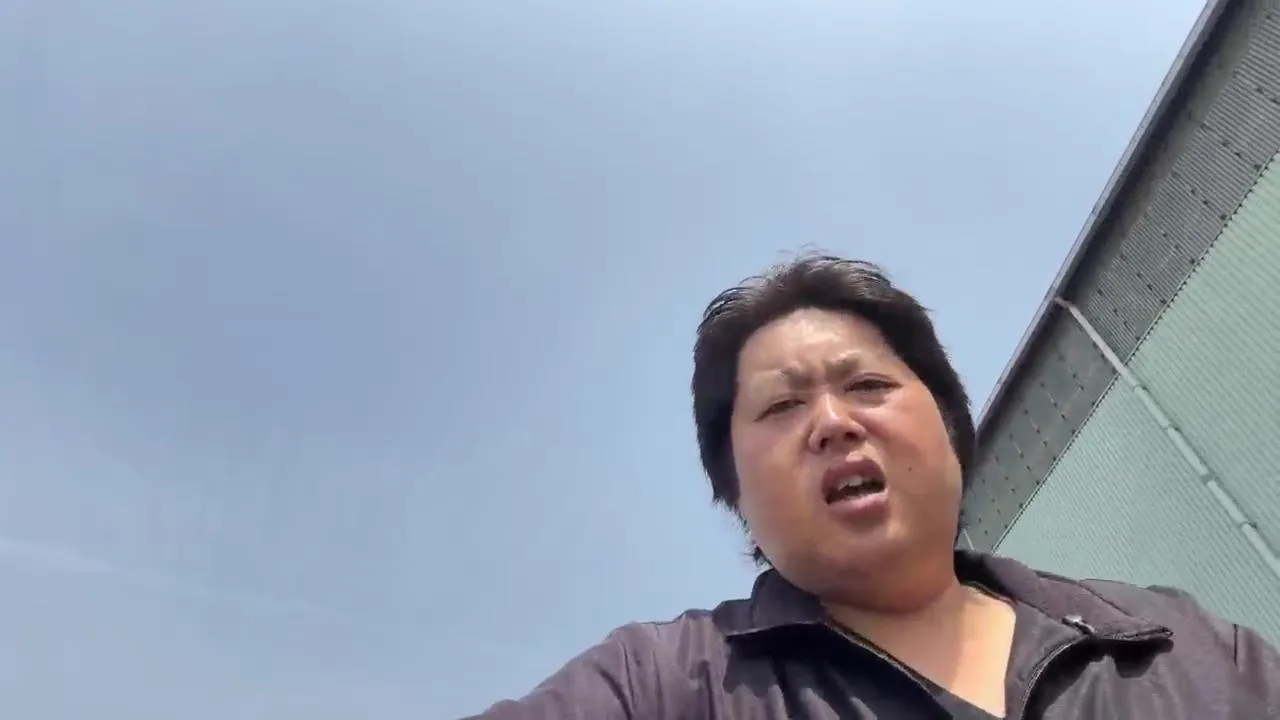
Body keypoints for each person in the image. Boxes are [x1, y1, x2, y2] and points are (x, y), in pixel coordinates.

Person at [467, 254, 1280, 719]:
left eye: (867, 387)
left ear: (949, 426)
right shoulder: (665, 685)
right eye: (782, 407)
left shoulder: (1181, 649)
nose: (832, 422)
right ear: (733, 488)